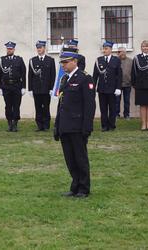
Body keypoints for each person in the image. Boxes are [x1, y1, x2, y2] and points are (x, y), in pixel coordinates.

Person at [54, 51, 96, 198]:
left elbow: (89, 106)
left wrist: (87, 127)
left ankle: (84, 188)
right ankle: (75, 186)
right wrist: (57, 126)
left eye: (65, 62)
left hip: (78, 126)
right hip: (65, 126)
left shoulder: (85, 78)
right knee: (70, 159)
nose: (63, 65)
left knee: (80, 158)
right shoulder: (65, 79)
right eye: (62, 62)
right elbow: (61, 105)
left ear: (74, 62)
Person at [93, 41, 122, 132]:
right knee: (103, 108)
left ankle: (112, 125)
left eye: (106, 49)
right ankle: (104, 126)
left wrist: (118, 88)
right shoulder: (99, 60)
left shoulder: (116, 60)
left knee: (112, 108)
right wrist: (92, 87)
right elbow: (95, 75)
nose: (104, 50)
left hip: (112, 89)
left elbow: (119, 75)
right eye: (103, 48)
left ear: (110, 49)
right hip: (102, 89)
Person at [0, 41, 26, 132]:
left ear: (14, 49)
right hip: (6, 86)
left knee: (16, 105)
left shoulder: (19, 59)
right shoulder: (2, 60)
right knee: (8, 106)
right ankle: (9, 123)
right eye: (8, 48)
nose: (9, 50)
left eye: (11, 48)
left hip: (17, 85)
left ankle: (15, 124)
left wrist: (24, 87)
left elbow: (23, 74)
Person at [28, 40, 56, 131]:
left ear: (44, 48)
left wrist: (52, 88)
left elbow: (53, 75)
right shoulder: (33, 60)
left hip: (46, 89)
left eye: (40, 47)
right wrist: (30, 89)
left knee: (46, 107)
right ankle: (39, 125)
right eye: (38, 48)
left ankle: (46, 125)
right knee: (38, 107)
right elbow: (30, 75)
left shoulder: (50, 60)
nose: (39, 49)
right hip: (36, 89)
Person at [131, 40, 148, 131]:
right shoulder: (137, 58)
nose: (145, 48)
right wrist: (134, 84)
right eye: (143, 46)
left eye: (146, 46)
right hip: (141, 85)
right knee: (142, 105)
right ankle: (144, 124)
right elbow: (133, 72)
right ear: (141, 48)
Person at [116, 47, 133, 119]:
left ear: (126, 52)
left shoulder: (130, 61)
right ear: (118, 53)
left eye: (123, 51)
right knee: (116, 101)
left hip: (127, 84)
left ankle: (127, 114)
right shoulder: (115, 61)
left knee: (127, 101)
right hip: (117, 85)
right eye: (120, 52)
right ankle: (116, 114)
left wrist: (132, 81)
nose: (122, 53)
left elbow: (133, 72)